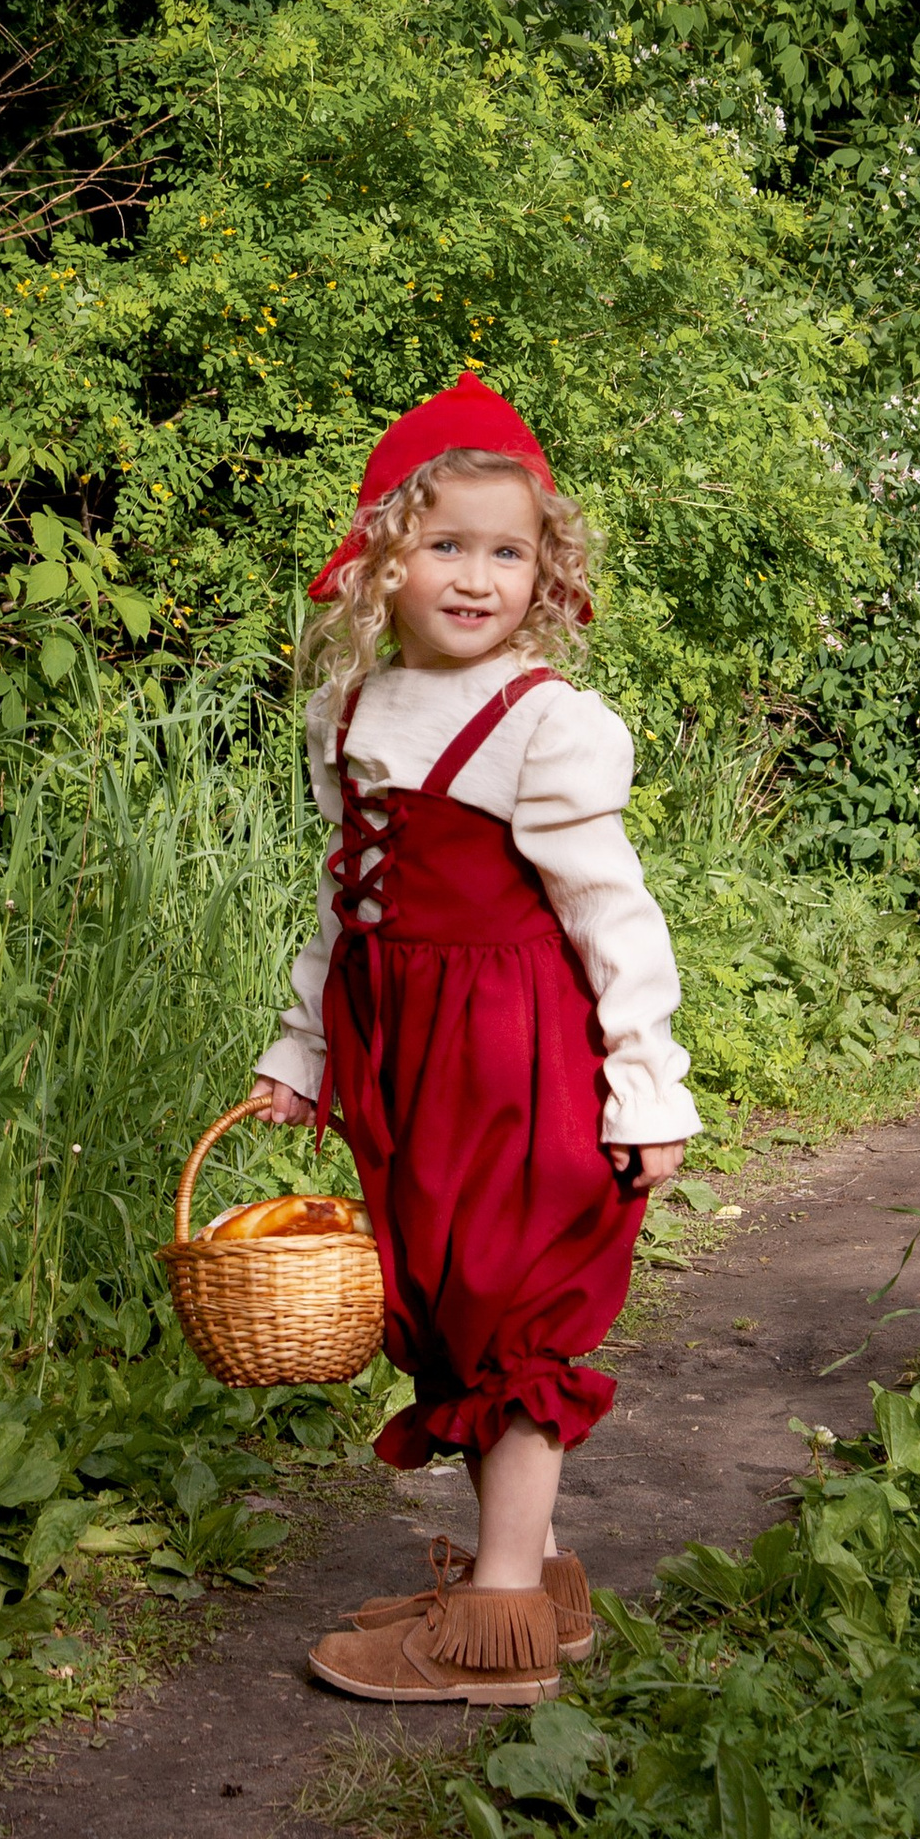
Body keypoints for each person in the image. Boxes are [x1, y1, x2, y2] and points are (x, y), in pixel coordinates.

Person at [247, 369, 697, 1704]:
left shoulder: (547, 723)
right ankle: (541, 1584)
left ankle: (497, 1627)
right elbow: (349, 901)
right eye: (446, 545)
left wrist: (647, 1088)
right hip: (405, 1058)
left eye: (508, 552)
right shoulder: (351, 713)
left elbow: (613, 916)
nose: (476, 578)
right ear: (384, 558)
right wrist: (301, 1049)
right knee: (445, 1300)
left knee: (512, 1314)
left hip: (518, 1059)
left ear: (544, 572)